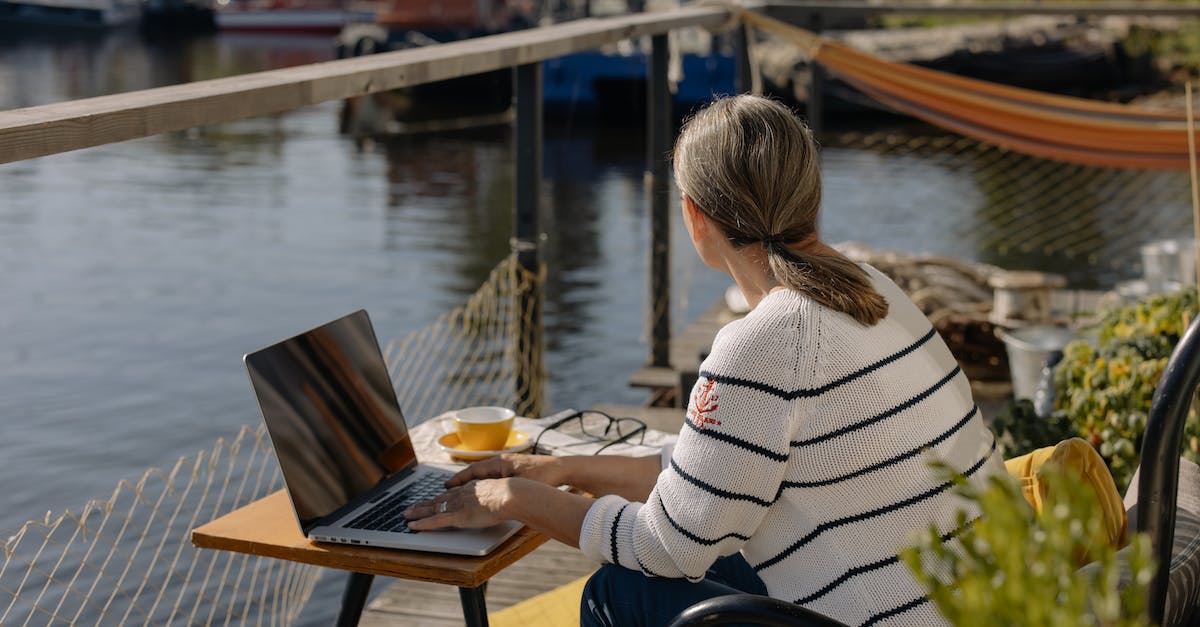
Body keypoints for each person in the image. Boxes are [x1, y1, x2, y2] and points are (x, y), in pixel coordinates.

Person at [404, 94, 1006, 626]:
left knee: (620, 594)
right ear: (809, 195)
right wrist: (566, 471)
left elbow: (668, 546)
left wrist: (513, 501)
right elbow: (722, 470)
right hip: (985, 604)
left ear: (695, 216)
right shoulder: (873, 287)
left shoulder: (765, 344)